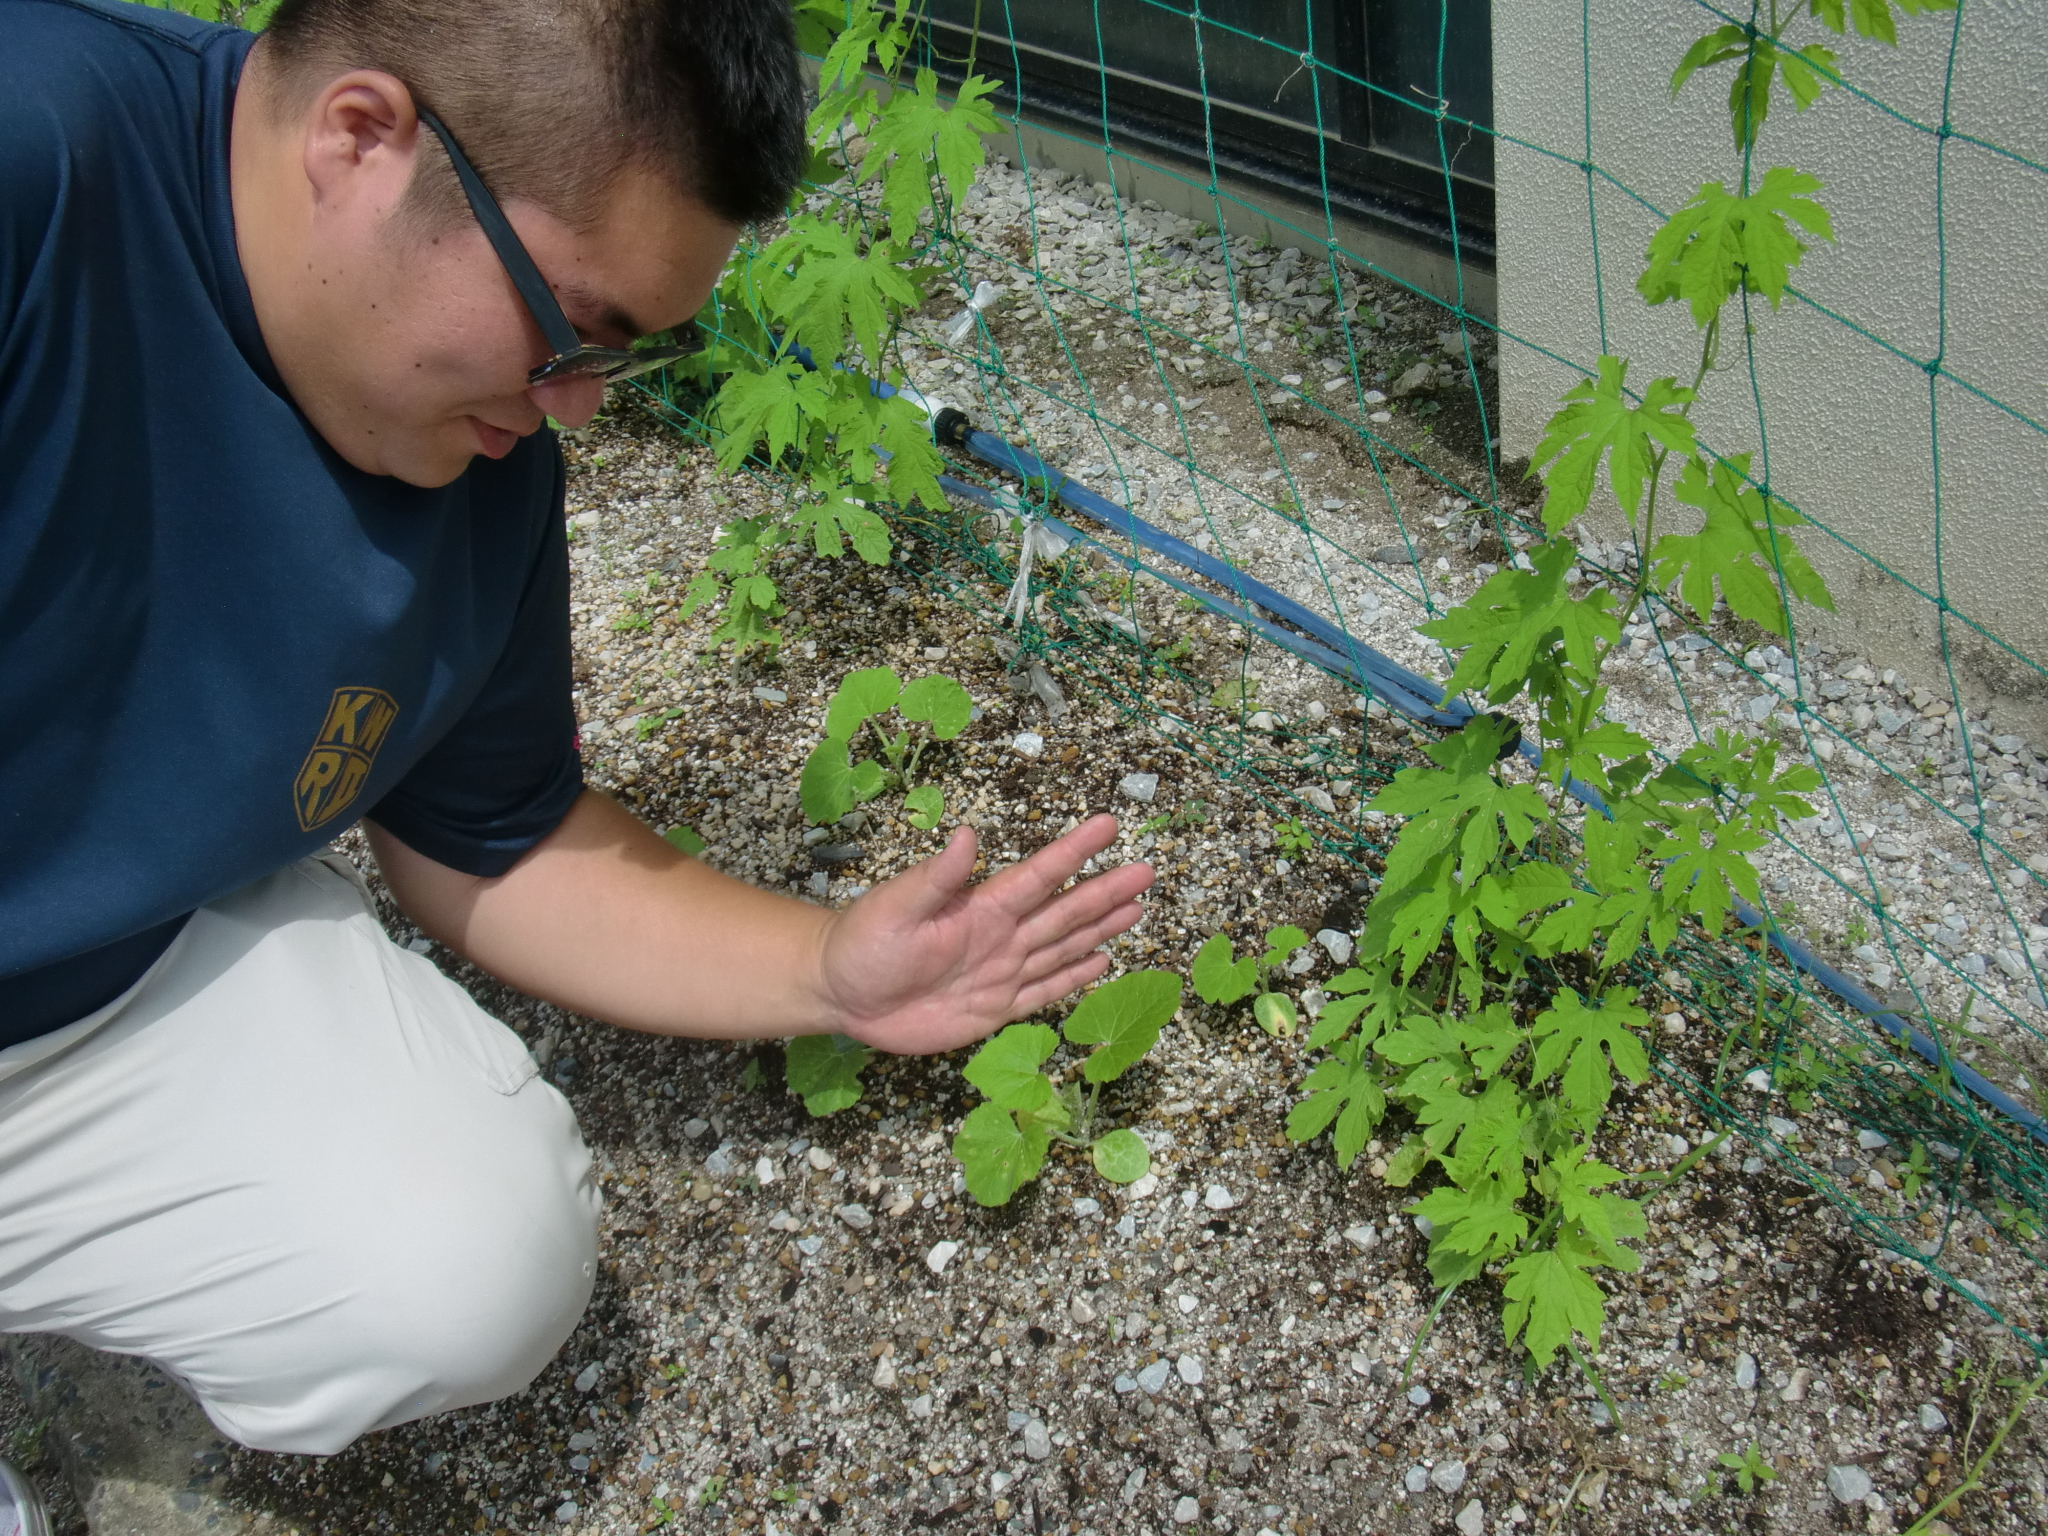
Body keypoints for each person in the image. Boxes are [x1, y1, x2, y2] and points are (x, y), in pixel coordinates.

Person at [0, 0, 1152, 1514]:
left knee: (469, 1258)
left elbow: (503, 834)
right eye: (569, 332)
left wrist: (830, 972)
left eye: (625, 361)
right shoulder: (39, 164)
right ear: (360, 138)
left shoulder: (468, 454)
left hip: (87, 993)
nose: (577, 408)